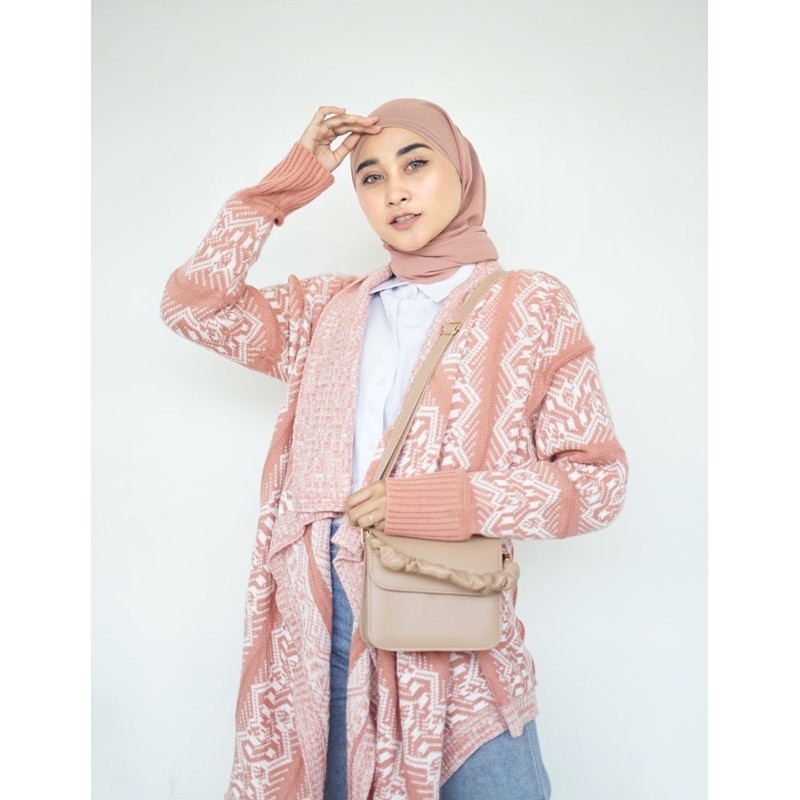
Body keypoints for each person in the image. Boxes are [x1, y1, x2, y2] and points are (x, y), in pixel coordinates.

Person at [160, 99, 629, 800]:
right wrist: (289, 182)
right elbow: (194, 306)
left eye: (416, 165)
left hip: (448, 623)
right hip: (320, 631)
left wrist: (446, 502)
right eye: (370, 177)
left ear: (461, 172)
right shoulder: (328, 309)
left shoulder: (531, 304)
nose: (395, 192)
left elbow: (597, 484)